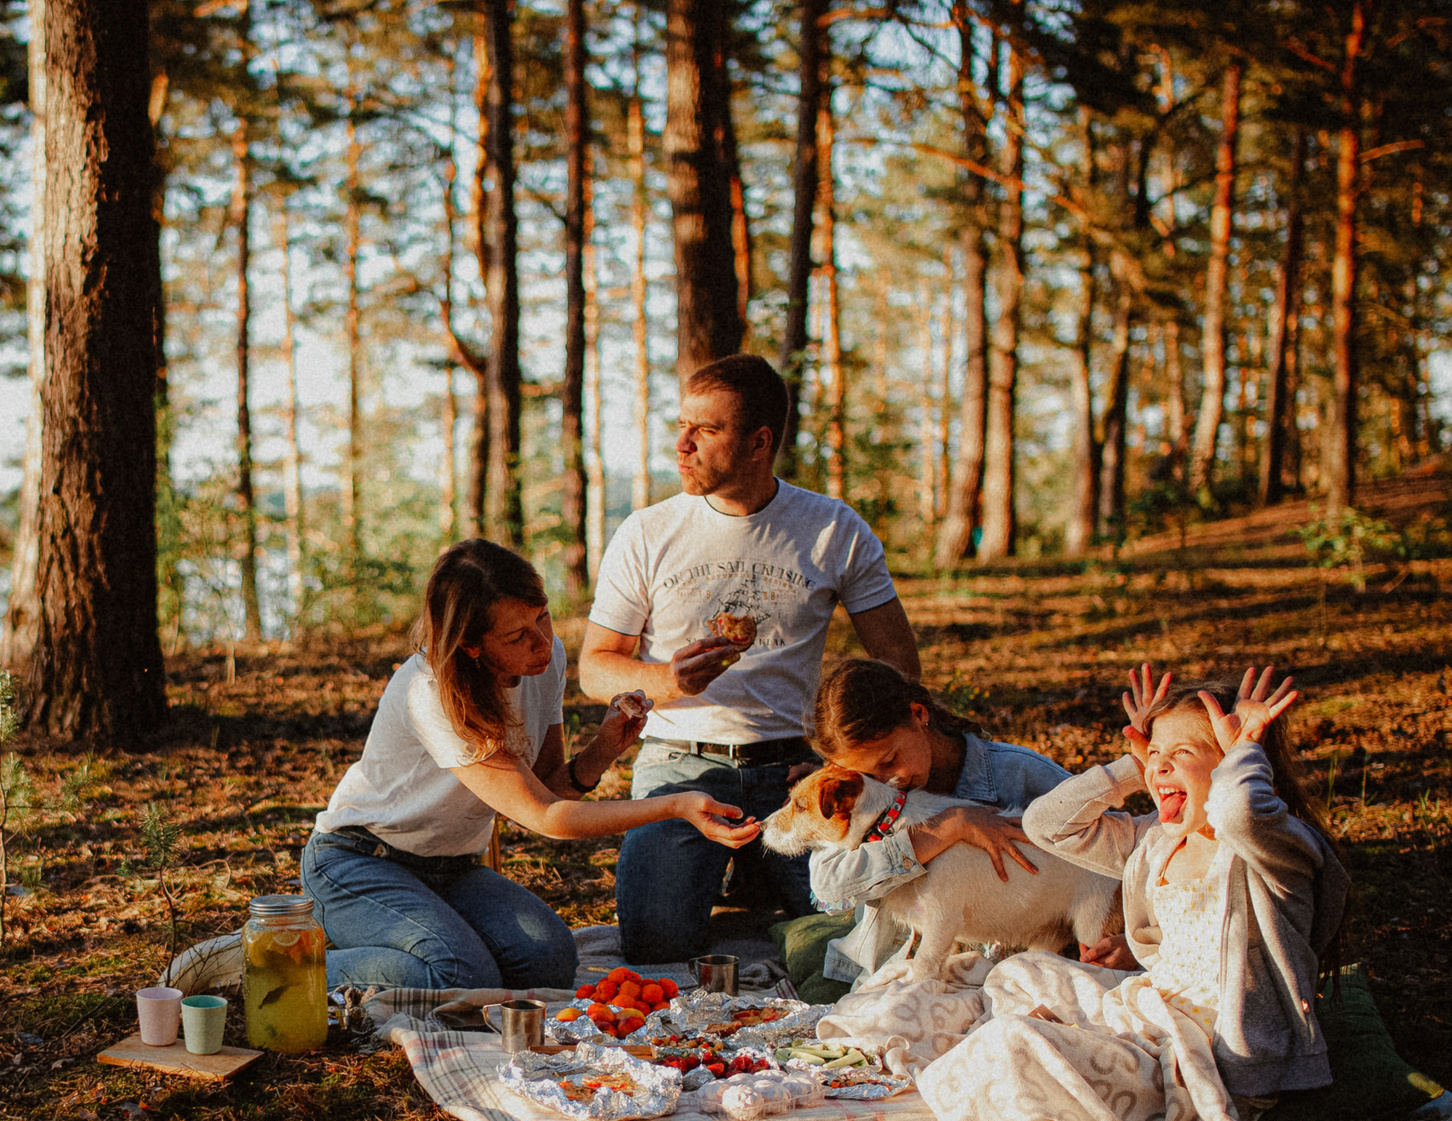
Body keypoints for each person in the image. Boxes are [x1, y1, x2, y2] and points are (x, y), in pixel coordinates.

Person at [909, 666, 1382, 1121]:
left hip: (1208, 1056)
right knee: (1019, 974)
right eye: (1155, 752)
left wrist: (1244, 751)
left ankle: (1062, 1059)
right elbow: (1046, 825)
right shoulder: (1155, 842)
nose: (1161, 765)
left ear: (1239, 766)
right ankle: (1071, 1053)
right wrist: (1129, 770)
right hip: (1153, 1015)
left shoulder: (1268, 853)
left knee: (1013, 1043)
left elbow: (1240, 814)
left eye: (1184, 753)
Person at [579, 353, 922, 966]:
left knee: (854, 940)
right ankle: (749, 881)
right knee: (654, 947)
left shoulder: (832, 528)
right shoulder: (646, 532)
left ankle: (758, 879)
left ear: (760, 442)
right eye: (681, 425)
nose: (682, 444)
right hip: (678, 765)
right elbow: (595, 668)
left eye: (705, 430)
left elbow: (898, 663)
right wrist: (668, 680)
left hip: (796, 767)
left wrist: (839, 760)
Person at [300, 539, 759, 991]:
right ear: (471, 645)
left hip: (451, 868)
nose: (542, 644)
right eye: (518, 636)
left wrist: (602, 748)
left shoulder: (546, 660)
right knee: (459, 976)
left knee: (548, 962)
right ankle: (285, 959)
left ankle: (412, 933)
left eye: (543, 619)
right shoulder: (431, 690)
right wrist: (673, 806)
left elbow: (549, 790)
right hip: (359, 862)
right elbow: (547, 818)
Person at [801, 658, 1078, 988]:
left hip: (1015, 975)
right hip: (895, 977)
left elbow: (1114, 849)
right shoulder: (862, 796)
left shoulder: (1020, 775)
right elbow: (828, 889)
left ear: (919, 715)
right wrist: (947, 828)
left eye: (890, 760)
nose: (889, 782)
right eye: (870, 775)